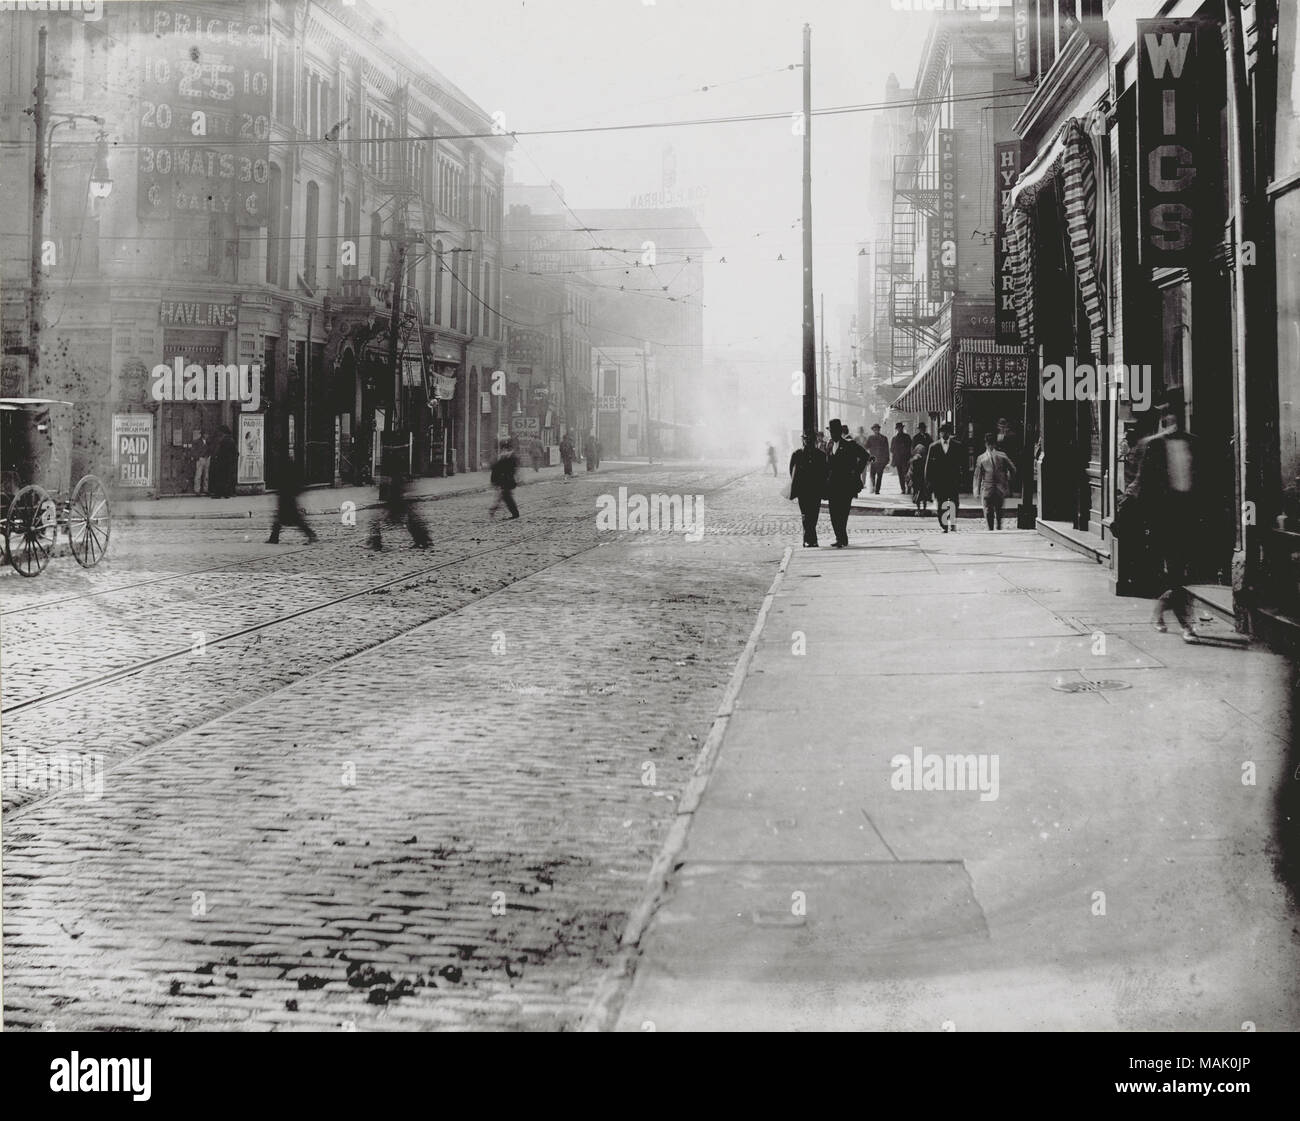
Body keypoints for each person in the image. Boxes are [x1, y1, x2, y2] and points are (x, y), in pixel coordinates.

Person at [1130, 403, 1202, 642]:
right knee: (1176, 572)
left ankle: (1160, 611)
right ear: (1162, 421)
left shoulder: (1194, 442)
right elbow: (1144, 484)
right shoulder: (1153, 445)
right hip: (1165, 517)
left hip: (1190, 515)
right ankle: (1187, 625)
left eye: (1176, 417)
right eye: (1168, 418)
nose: (1172, 422)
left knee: (1183, 572)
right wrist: (1145, 519)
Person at [367, 450, 431, 551]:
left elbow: (398, 487)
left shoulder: (396, 477)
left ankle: (375, 542)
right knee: (412, 521)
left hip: (397, 503)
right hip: (396, 502)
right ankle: (423, 540)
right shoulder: (399, 475)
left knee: (378, 521)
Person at [824, 418, 869, 548]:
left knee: (842, 512)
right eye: (831, 432)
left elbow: (865, 456)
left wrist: (856, 472)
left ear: (840, 432)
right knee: (833, 512)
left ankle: (842, 538)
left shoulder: (850, 444)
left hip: (846, 484)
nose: (833, 434)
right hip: (832, 485)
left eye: (835, 431)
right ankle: (840, 537)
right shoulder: (829, 445)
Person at [267, 451, 317, 544]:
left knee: (293, 519)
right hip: (287, 496)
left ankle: (311, 534)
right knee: (283, 518)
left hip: (287, 496)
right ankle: (274, 538)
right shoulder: (289, 465)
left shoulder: (285, 466)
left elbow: (285, 481)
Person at [788, 432, 828, 547]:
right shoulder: (797, 454)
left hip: (815, 489)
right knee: (805, 515)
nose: (808, 441)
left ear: (815, 440)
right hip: (803, 489)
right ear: (803, 440)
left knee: (814, 514)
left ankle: (811, 539)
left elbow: (825, 472)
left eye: (810, 439)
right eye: (806, 439)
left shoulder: (820, 455)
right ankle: (809, 539)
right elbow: (792, 471)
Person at [925, 422, 964, 532]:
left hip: (953, 480)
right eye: (942, 432)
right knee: (941, 503)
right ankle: (944, 525)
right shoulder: (933, 447)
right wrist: (928, 482)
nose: (945, 434)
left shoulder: (957, 446)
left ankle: (952, 522)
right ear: (940, 433)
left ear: (950, 433)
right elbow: (928, 466)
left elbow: (962, 464)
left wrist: (962, 480)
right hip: (939, 481)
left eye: (947, 432)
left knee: (953, 503)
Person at [973, 432, 1017, 531]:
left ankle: (998, 529)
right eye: (988, 444)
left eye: (992, 444)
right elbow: (977, 476)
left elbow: (1013, 469)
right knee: (988, 511)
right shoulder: (981, 458)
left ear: (995, 444)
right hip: (987, 489)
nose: (990, 446)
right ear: (985, 444)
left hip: (999, 488)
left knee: (999, 511)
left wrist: (1007, 480)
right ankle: (990, 530)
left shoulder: (1002, 456)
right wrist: (976, 490)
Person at [489, 439, 521, 519]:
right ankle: (494, 509)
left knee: (506, 496)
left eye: (506, 449)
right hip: (505, 480)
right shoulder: (509, 457)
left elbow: (496, 469)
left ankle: (494, 509)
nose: (505, 450)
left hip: (507, 480)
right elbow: (496, 469)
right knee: (505, 496)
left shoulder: (508, 457)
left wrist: (494, 481)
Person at [996, 418, 1023, 495]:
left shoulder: (1011, 434)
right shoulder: (999, 434)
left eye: (1001, 426)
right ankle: (1005, 490)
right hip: (1001, 456)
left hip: (1009, 456)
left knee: (1010, 473)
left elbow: (1011, 446)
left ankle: (1011, 490)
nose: (1000, 428)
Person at [210, 424, 236, 498]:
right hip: (228, 463)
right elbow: (235, 453)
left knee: (220, 478)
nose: (219, 433)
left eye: (220, 431)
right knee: (226, 478)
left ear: (223, 432)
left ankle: (218, 494)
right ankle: (226, 494)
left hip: (222, 462)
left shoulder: (224, 440)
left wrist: (216, 457)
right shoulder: (231, 440)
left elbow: (220, 452)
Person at [865, 423, 890, 495]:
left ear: (879, 429)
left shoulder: (884, 438)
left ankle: (877, 489)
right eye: (875, 429)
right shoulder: (870, 438)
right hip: (873, 459)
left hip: (881, 459)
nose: (876, 430)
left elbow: (886, 449)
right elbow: (866, 447)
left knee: (879, 475)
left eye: (877, 429)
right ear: (873, 430)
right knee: (872, 474)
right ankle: (873, 486)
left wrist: (887, 459)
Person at [890, 422, 913, 494]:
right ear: (897, 429)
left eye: (901, 428)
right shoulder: (894, 438)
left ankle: (908, 488)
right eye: (898, 428)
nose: (899, 429)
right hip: (898, 459)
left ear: (902, 428)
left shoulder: (907, 437)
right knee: (900, 475)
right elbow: (892, 449)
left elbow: (910, 447)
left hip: (906, 459)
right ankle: (903, 489)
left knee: (906, 474)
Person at [192, 430, 211, 496]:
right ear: (202, 434)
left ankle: (206, 489)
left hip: (207, 458)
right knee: (198, 475)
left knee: (206, 475)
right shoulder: (196, 442)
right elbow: (194, 450)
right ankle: (197, 490)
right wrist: (197, 457)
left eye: (207, 434)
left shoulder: (209, 442)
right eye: (206, 434)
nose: (207, 435)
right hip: (201, 458)